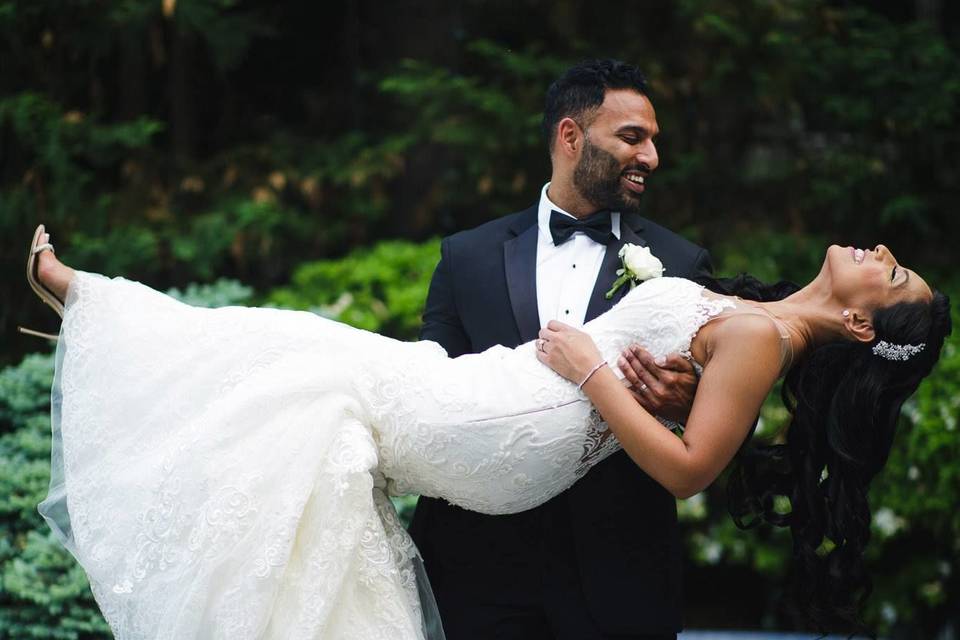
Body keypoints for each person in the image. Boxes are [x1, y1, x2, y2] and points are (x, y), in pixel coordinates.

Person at [25, 222, 949, 639]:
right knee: (305, 363)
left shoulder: (760, 336)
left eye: (895, 276)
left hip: (512, 421)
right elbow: (681, 401)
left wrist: (591, 371)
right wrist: (644, 386)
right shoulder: (756, 320)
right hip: (502, 400)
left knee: (302, 354)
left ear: (865, 328)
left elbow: (687, 472)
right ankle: (97, 314)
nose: (883, 255)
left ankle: (91, 307)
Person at [409, 59, 711, 640]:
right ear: (570, 137)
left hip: (619, 572)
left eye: (653, 140)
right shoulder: (466, 257)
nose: (651, 157)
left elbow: (718, 418)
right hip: (479, 566)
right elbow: (431, 392)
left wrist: (683, 406)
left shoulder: (683, 265)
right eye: (632, 137)